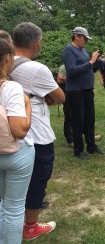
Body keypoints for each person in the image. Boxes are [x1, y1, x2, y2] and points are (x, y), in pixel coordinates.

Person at [11, 22, 65, 240]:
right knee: (37, 180)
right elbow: (60, 97)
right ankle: (30, 226)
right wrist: (40, 98)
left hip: (9, 131)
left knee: (9, 183)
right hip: (35, 134)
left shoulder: (4, 64)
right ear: (36, 43)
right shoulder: (36, 69)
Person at [0, 37, 34, 244]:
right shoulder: (10, 88)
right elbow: (19, 130)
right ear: (6, 58)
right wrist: (27, 105)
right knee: (13, 207)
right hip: (14, 155)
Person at [62, 26, 104, 160]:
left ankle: (91, 146)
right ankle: (78, 150)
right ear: (76, 36)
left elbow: (88, 69)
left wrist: (97, 63)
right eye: (85, 38)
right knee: (78, 121)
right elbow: (72, 71)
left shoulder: (84, 51)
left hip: (87, 89)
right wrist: (90, 62)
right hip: (75, 91)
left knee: (89, 119)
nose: (86, 41)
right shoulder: (69, 50)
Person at [57, 64, 73, 147]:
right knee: (69, 116)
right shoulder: (64, 67)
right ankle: (69, 140)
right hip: (67, 94)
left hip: (76, 92)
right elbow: (59, 80)